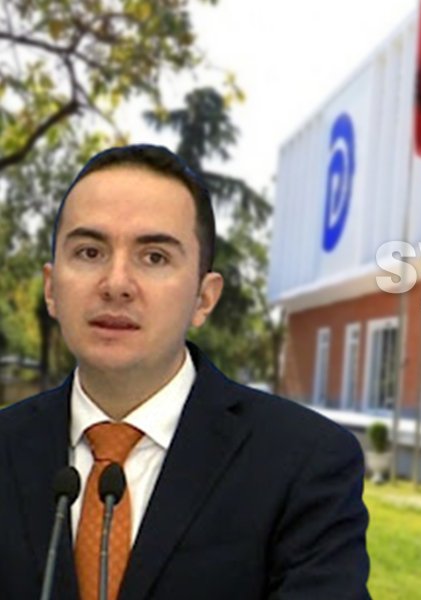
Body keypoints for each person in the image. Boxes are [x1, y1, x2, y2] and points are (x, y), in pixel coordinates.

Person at [0, 144, 370, 599]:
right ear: (51, 288)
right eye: (90, 252)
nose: (116, 284)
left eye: (154, 257)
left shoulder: (305, 463)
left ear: (203, 298)